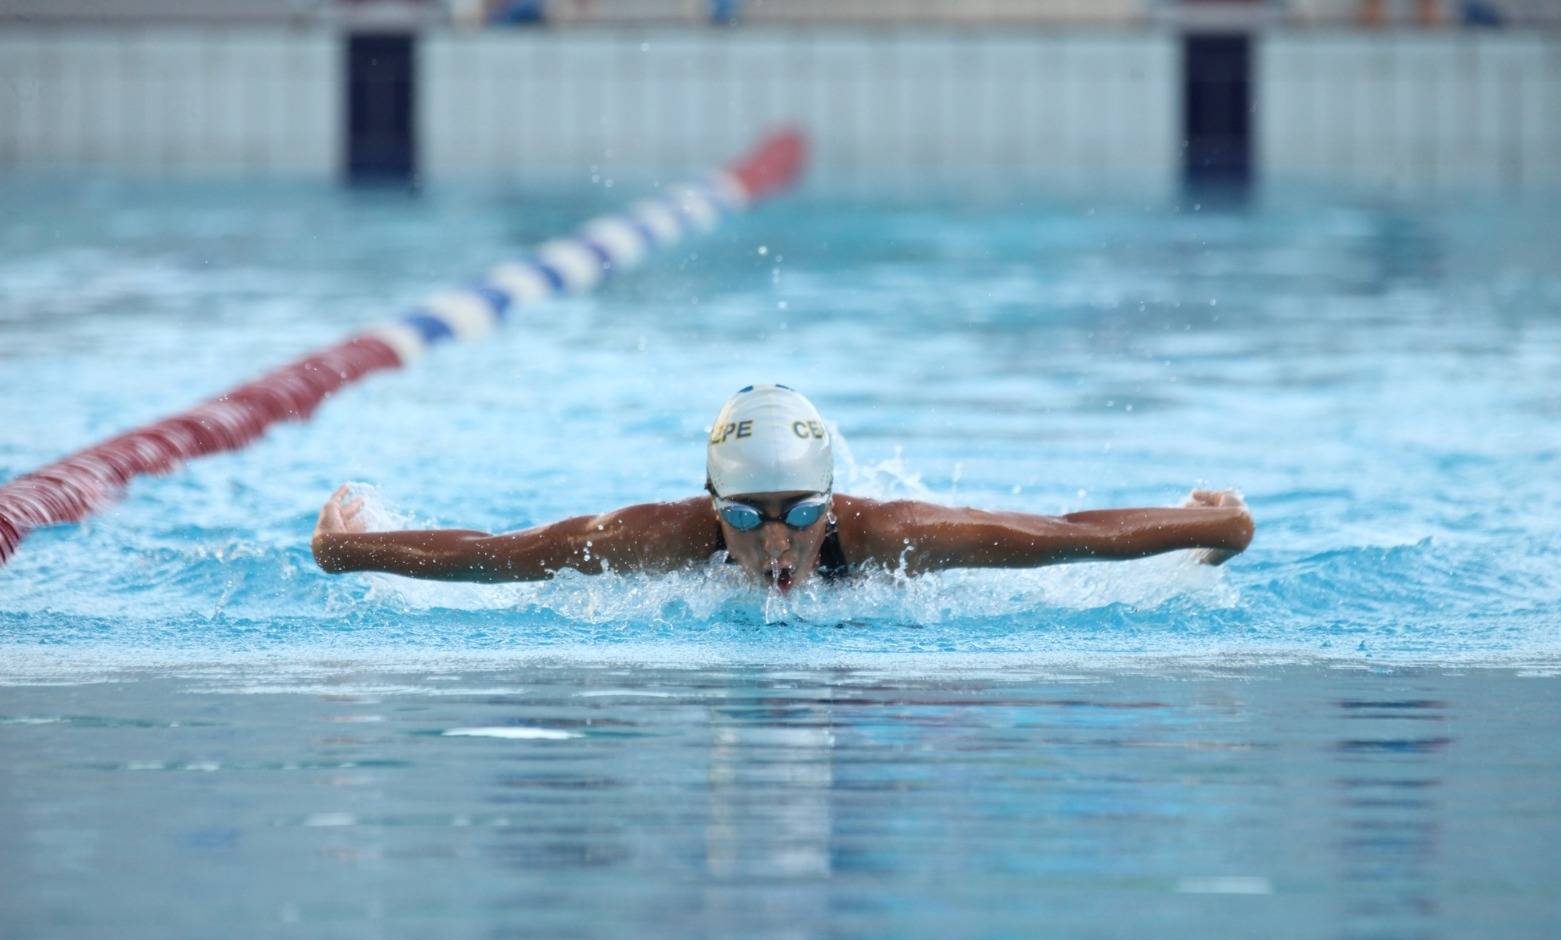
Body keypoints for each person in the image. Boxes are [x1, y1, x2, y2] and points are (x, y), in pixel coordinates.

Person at [312, 384, 1254, 593]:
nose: (775, 546)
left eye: (802, 517)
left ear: (832, 505)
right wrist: (348, 550)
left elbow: (1065, 532)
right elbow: (504, 555)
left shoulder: (892, 534)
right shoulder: (658, 536)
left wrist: (1214, 525)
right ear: (708, 502)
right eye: (745, 519)